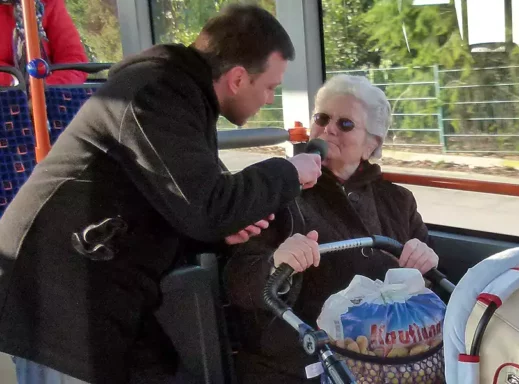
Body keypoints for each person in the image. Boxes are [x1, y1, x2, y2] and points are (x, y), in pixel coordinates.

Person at [0, 4, 322, 384]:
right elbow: (206, 208)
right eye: (269, 87)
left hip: (102, 289)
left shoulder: (176, 95)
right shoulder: (155, 93)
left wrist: (221, 233)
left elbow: (175, 202)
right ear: (237, 78)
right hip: (57, 300)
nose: (269, 99)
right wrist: (289, 171)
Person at [224, 74, 441, 383]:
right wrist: (275, 264)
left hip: (391, 357)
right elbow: (236, 281)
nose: (329, 129)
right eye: (322, 118)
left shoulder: (397, 201)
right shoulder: (279, 191)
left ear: (371, 144)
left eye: (345, 124)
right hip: (301, 361)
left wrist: (425, 260)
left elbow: (431, 276)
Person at [0, 0, 88, 86]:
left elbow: (74, 61)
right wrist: (14, 82)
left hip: (49, 90)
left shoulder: (49, 3)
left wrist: (47, 89)